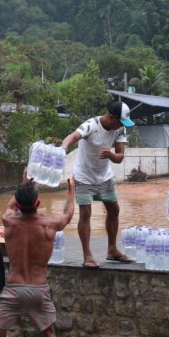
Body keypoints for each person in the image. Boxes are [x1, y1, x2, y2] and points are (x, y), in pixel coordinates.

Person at [0, 177, 76, 337]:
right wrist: (71, 191)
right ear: (38, 203)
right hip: (39, 290)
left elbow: (11, 205)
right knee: (49, 332)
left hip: (14, 289)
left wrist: (23, 183)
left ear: (18, 203)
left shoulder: (9, 220)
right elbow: (68, 214)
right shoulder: (49, 224)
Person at [61, 100, 134, 269]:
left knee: (114, 209)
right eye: (120, 122)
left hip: (104, 177)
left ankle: (112, 249)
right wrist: (63, 148)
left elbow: (120, 157)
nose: (121, 126)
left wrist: (110, 155)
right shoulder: (91, 125)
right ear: (111, 117)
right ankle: (87, 255)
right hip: (84, 176)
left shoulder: (120, 129)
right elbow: (73, 136)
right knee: (85, 213)